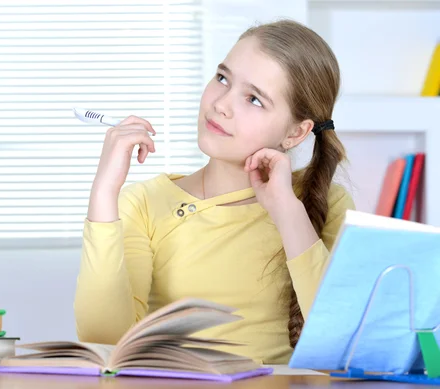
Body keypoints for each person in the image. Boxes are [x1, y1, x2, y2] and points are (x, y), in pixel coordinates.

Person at [73, 19, 355, 364]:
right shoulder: (145, 203)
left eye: (253, 99)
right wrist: (104, 192)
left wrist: (287, 211)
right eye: (222, 78)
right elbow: (105, 340)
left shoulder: (329, 202)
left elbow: (340, 341)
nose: (221, 103)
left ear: (296, 133)